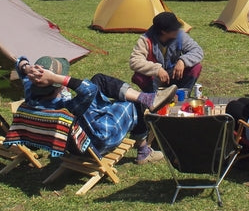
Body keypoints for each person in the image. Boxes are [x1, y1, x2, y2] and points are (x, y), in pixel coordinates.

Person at [15, 56, 177, 164]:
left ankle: (146, 98)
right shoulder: (66, 107)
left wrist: (26, 67)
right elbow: (89, 90)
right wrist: (56, 77)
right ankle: (144, 151)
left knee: (99, 79)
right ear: (54, 83)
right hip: (96, 142)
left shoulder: (31, 94)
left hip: (73, 142)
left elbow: (19, 62)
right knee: (131, 102)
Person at [130, 12, 204, 93]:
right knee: (139, 76)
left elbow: (197, 50)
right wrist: (157, 69)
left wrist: (183, 61)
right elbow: (135, 61)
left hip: (174, 74)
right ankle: (154, 98)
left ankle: (182, 95)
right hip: (155, 78)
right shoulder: (145, 40)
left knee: (196, 67)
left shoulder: (180, 35)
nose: (178, 30)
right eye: (174, 29)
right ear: (164, 32)